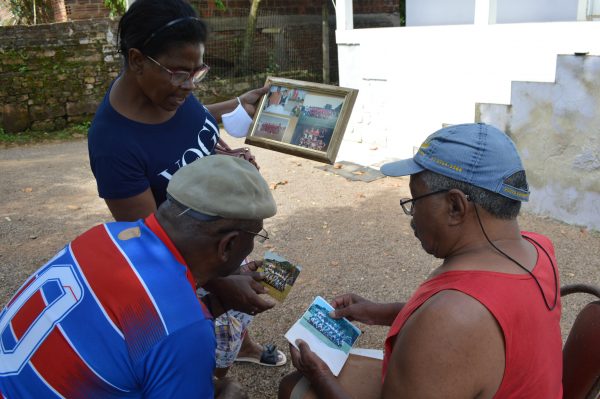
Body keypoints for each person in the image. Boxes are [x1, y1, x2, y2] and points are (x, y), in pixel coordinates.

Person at [280, 123, 563, 398]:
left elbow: (450, 326)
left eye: (416, 200)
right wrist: (377, 311)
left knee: (294, 386)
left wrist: (320, 375)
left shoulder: (450, 317)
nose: (413, 215)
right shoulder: (538, 249)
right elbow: (483, 321)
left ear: (455, 206)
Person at [87, 0, 285, 373]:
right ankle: (216, 379)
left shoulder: (168, 90)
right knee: (206, 344)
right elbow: (156, 245)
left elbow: (193, 120)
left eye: (198, 73)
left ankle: (242, 345)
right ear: (137, 60)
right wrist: (224, 287)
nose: (189, 86)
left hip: (220, 237)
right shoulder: (114, 144)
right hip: (193, 262)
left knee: (238, 312)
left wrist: (236, 105)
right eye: (181, 74)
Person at [0, 155, 276, 398]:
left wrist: (217, 301)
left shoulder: (102, 235)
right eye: (255, 237)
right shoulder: (186, 331)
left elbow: (133, 330)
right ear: (228, 245)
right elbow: (169, 331)